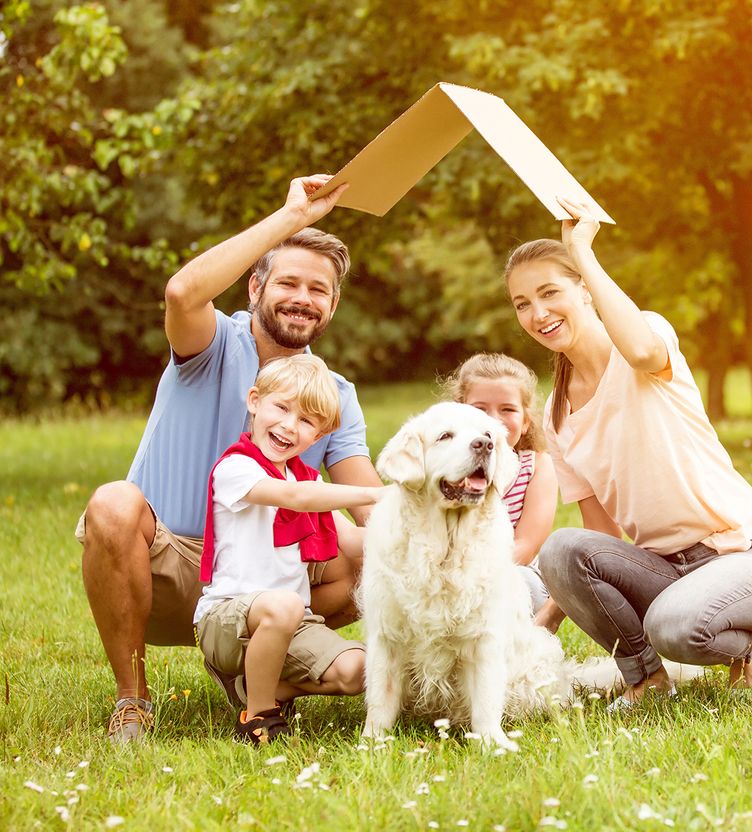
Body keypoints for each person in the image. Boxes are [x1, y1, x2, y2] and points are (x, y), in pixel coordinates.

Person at [77, 175, 382, 742]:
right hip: (167, 565)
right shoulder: (211, 343)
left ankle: (260, 679)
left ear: (333, 304)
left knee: (374, 556)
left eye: (318, 290)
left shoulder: (333, 392)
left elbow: (372, 509)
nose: (302, 298)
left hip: (264, 579)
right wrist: (292, 218)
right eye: (287, 282)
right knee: (113, 504)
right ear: (254, 290)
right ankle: (132, 700)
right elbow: (181, 294)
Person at [504, 197, 752, 708]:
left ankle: (749, 643)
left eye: (550, 292)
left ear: (584, 288)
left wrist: (583, 251)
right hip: (668, 571)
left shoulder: (644, 341)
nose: (538, 314)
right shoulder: (557, 413)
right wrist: (543, 626)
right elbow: (599, 537)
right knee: (560, 548)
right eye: (521, 303)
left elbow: (642, 351)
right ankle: (646, 682)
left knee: (674, 628)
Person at [196, 354, 384, 745]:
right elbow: (295, 497)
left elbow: (353, 542)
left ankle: (263, 685)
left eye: (306, 421)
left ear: (317, 437)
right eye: (281, 408)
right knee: (284, 604)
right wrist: (376, 492)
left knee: (362, 670)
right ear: (254, 401)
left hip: (291, 623)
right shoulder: (236, 469)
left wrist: (423, 531)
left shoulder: (305, 478)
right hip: (225, 619)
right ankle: (258, 717)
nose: (288, 425)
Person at [442, 353, 559, 623]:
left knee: (521, 586)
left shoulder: (537, 467)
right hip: (446, 575)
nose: (493, 421)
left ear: (526, 420)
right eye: (479, 409)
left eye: (507, 409)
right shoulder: (443, 470)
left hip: (511, 573)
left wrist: (470, 578)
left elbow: (526, 546)